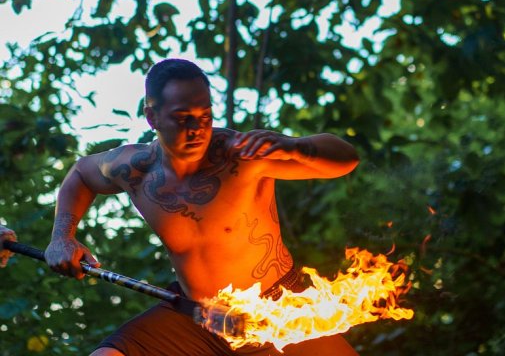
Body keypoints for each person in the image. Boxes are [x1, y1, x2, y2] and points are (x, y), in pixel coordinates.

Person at [44, 58, 360, 356]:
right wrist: (62, 237)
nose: (198, 129)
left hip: (276, 310)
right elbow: (81, 173)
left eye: (205, 115)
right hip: (195, 317)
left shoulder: (241, 156)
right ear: (152, 116)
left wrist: (295, 147)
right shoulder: (135, 169)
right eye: (183, 118)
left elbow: (346, 159)